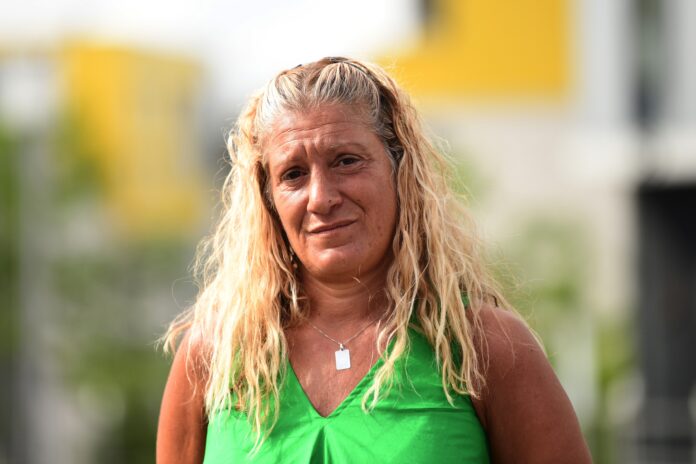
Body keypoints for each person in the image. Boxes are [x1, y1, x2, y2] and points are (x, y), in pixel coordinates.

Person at [156, 56, 592, 463]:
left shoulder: (485, 347)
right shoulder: (214, 354)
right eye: (293, 174)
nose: (321, 197)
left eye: (346, 161)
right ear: (267, 198)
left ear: (400, 168)